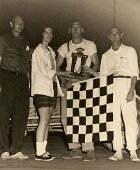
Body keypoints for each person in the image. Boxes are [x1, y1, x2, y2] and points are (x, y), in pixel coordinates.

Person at [56, 21, 99, 161]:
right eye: (73, 27)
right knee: (66, 117)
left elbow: (96, 64)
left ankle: (89, 149)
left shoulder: (90, 45)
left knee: (85, 116)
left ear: (82, 29)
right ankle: (74, 149)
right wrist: (64, 81)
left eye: (78, 27)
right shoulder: (64, 46)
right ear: (70, 30)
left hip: (84, 83)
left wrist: (89, 74)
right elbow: (56, 68)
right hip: (68, 83)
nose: (75, 29)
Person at [0, 16, 30, 160]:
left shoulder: (26, 41)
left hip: (22, 79)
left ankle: (16, 149)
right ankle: (4, 150)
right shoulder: (3, 39)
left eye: (23, 23)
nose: (20, 25)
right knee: (4, 114)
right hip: (7, 77)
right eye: (18, 23)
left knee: (21, 115)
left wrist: (28, 82)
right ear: (11, 24)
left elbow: (27, 63)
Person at [100, 26, 140, 162]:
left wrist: (131, 90)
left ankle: (133, 151)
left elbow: (135, 73)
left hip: (127, 85)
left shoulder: (130, 51)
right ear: (109, 37)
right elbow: (103, 77)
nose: (114, 36)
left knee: (130, 119)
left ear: (121, 35)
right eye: (112, 34)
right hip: (112, 87)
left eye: (117, 33)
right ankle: (118, 151)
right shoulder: (105, 55)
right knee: (113, 120)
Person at [31, 27, 69, 161]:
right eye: (46, 32)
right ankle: (39, 153)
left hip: (51, 88)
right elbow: (45, 71)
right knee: (44, 119)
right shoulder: (38, 50)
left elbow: (53, 70)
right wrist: (63, 73)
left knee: (47, 121)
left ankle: (44, 151)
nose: (49, 35)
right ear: (41, 34)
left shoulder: (50, 51)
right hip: (41, 88)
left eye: (51, 33)